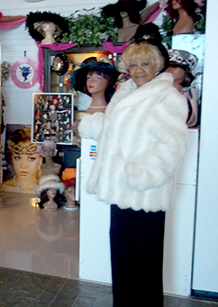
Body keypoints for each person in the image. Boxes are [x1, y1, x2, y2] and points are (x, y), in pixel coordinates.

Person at [78, 40, 188, 306]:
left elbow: (172, 145)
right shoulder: (125, 91)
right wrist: (91, 125)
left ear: (157, 66)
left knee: (144, 266)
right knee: (123, 260)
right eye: (134, 63)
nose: (139, 69)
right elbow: (120, 127)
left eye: (146, 63)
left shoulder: (167, 96)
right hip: (121, 192)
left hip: (144, 192)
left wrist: (142, 173)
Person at [2, 127, 42, 194]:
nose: (23, 166)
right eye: (17, 158)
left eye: (31, 159)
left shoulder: (45, 190)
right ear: (12, 157)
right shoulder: (5, 187)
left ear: (40, 158)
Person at [165, 48, 199, 127]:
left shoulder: (192, 94)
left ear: (186, 70)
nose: (169, 69)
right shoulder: (156, 92)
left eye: (175, 66)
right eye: (167, 66)